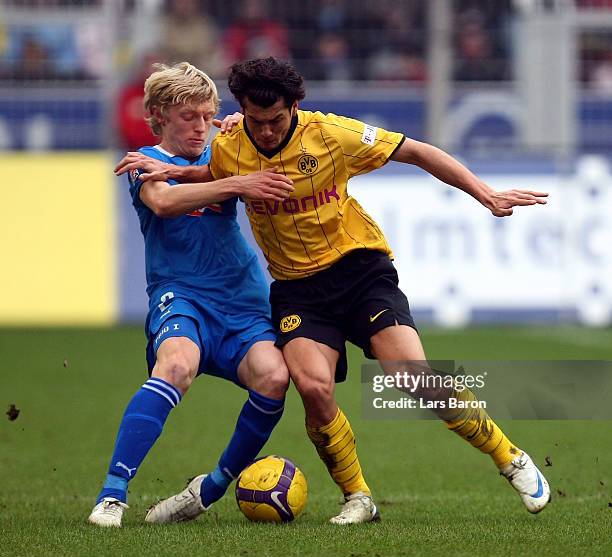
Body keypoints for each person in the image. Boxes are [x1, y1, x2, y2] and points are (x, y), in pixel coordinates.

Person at [116, 57, 551, 525]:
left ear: (295, 106)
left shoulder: (330, 135)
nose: (264, 132)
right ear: (241, 109)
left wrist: (483, 193)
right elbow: (214, 176)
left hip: (359, 270)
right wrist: (168, 170)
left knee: (410, 373)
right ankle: (358, 497)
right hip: (297, 289)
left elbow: (417, 151)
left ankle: (510, 457)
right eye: (255, 121)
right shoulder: (229, 143)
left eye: (275, 121)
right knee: (312, 386)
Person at [88, 61, 295, 527]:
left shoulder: (228, 149)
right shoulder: (144, 162)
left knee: (274, 378)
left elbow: (287, 138)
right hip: (181, 296)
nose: (201, 126)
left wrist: (251, 131)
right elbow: (163, 203)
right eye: (188, 117)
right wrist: (239, 181)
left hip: (243, 301)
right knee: (177, 364)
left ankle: (209, 488)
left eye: (207, 115)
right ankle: (113, 494)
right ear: (158, 115)